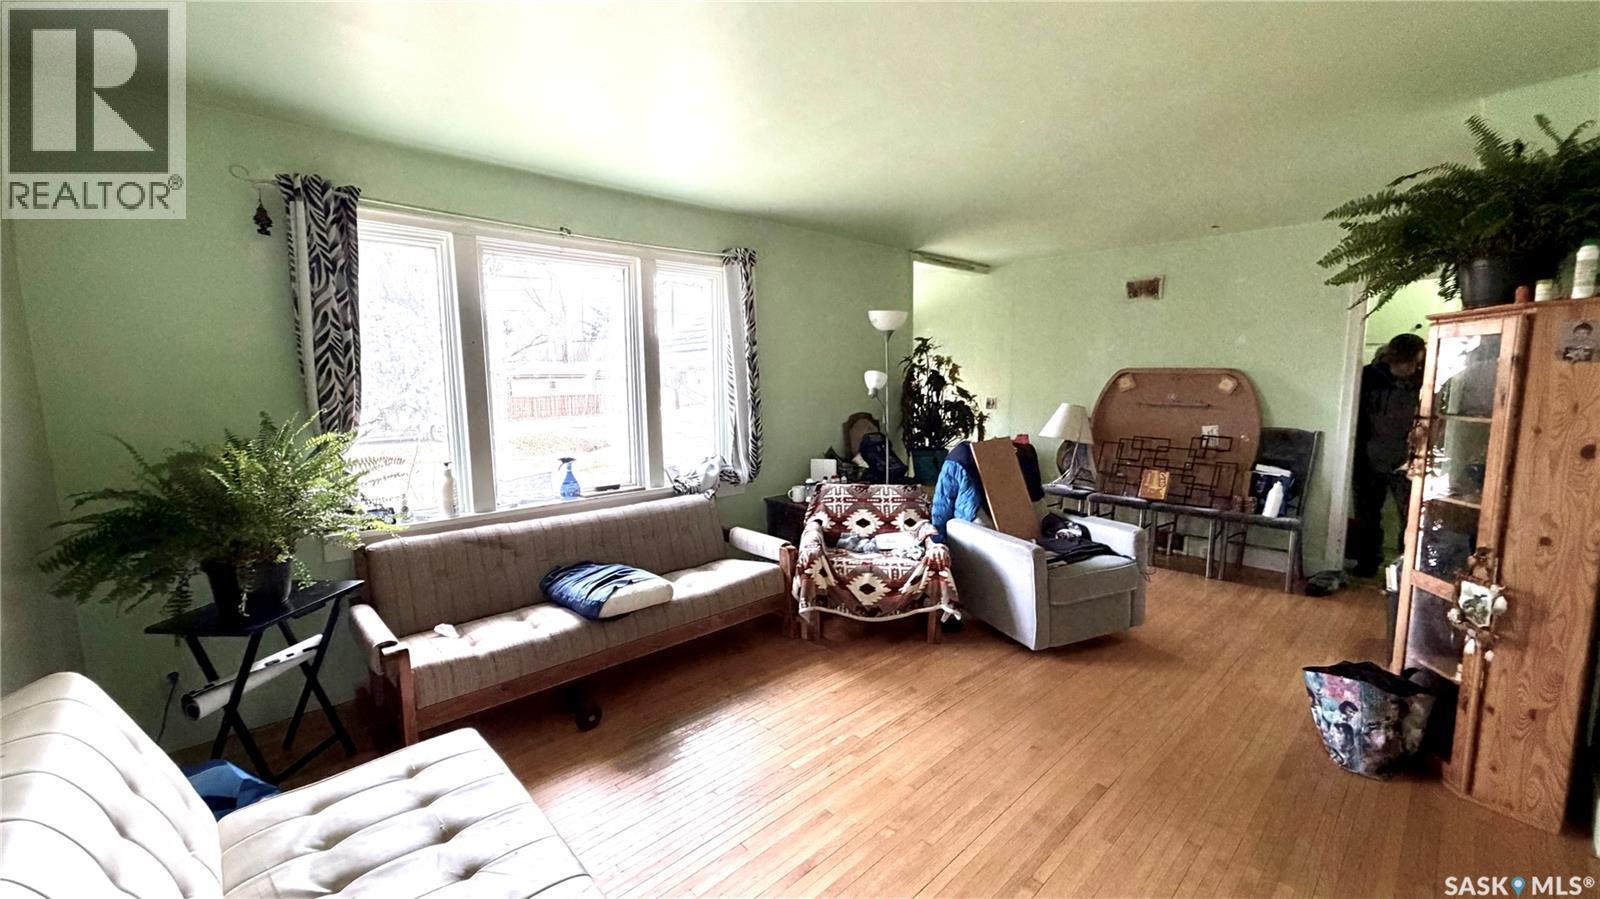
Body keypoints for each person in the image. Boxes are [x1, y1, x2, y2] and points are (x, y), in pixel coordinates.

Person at [1350, 333, 1426, 577]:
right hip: (1370, 458)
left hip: (1409, 461)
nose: (1405, 368)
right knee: (1367, 515)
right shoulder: (1368, 377)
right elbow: (1356, 418)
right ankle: (1368, 563)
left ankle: (1406, 570)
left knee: (1411, 518)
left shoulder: (1427, 378)